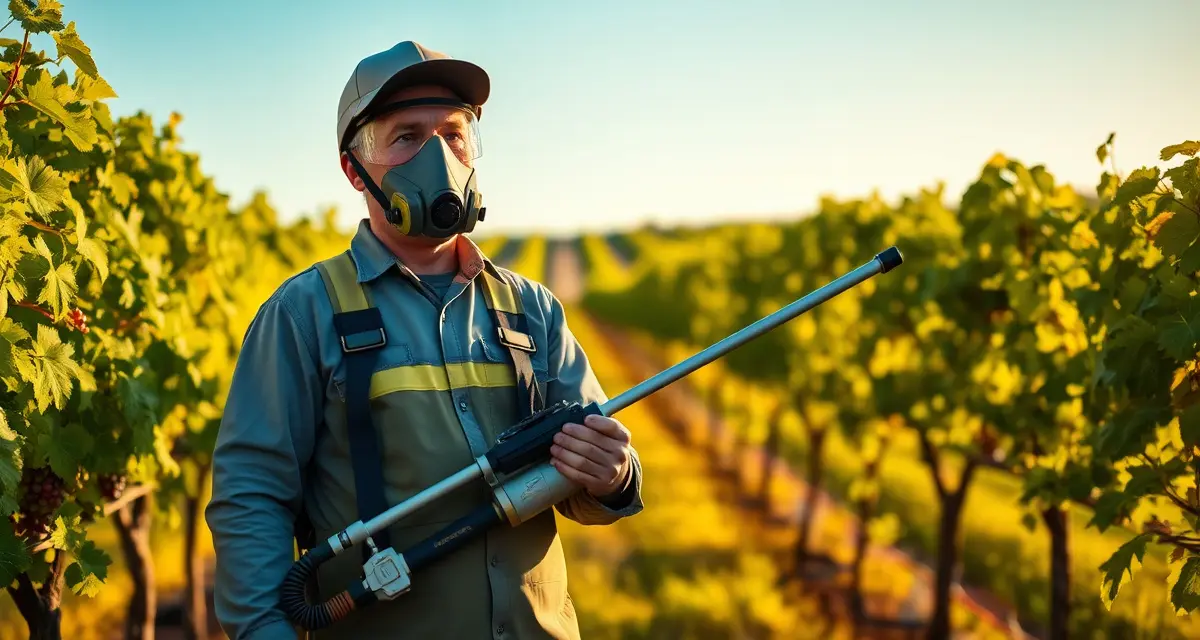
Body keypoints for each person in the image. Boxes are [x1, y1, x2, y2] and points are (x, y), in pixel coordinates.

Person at [205, 41, 644, 640]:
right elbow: (251, 498)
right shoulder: (303, 314)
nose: (439, 155)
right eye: (407, 136)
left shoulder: (531, 309)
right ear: (354, 168)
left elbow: (594, 483)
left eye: (454, 134)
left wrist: (612, 475)